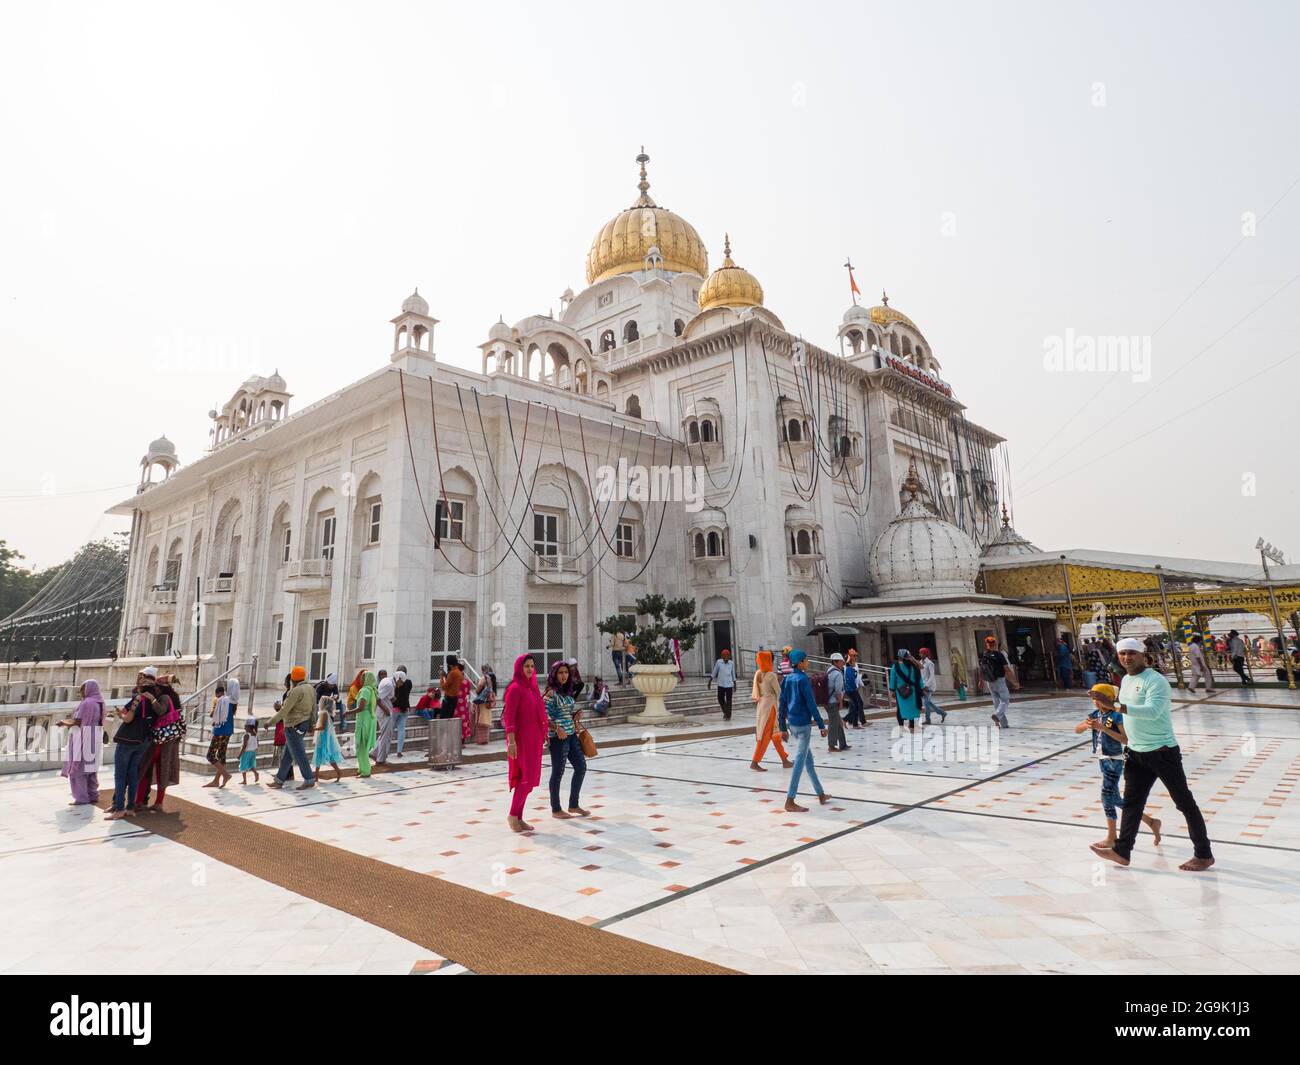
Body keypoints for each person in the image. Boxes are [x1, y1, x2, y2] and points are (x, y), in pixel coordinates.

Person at [1089, 638, 1215, 872]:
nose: (1127, 658)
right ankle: (1122, 851)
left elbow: (1153, 711)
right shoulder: (1126, 680)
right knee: (1132, 805)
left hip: (1162, 752)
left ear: (1143, 655)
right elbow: (1123, 712)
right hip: (1136, 753)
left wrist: (1115, 706)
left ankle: (1204, 854)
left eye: (1132, 653)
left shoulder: (1156, 681)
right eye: (1122, 653)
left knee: (1184, 803)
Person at [1075, 683, 1162, 851]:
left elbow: (1126, 739)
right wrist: (1086, 725)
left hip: (1114, 760)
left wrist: (1103, 729)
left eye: (1099, 699)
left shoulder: (1116, 716)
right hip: (1103, 759)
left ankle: (1112, 836)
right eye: (1094, 699)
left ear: (1109, 699)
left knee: (1106, 797)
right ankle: (1151, 822)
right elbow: (1076, 730)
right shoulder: (1095, 715)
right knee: (1115, 799)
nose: (1096, 703)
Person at [778, 649, 829, 812]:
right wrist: (821, 724)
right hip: (804, 725)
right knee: (799, 762)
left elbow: (782, 704)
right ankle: (790, 799)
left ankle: (820, 794)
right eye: (806, 660)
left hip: (792, 725)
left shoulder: (787, 680)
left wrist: (782, 727)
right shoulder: (803, 679)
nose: (808, 663)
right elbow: (811, 704)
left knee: (809, 762)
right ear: (800, 663)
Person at [106, 673, 161, 819]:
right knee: (133, 774)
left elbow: (128, 718)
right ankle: (130, 807)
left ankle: (119, 808)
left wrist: (120, 715)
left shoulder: (138, 699)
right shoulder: (155, 702)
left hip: (129, 740)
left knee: (120, 775)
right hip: (144, 741)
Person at [503, 653, 547, 833]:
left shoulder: (532, 688)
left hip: (534, 740)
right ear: (519, 668)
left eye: (532, 666)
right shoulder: (515, 689)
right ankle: (513, 815)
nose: (529, 669)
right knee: (525, 778)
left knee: (530, 779)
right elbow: (510, 718)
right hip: (521, 741)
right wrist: (511, 742)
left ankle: (519, 817)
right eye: (526, 666)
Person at [545, 661, 589, 819]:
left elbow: (564, 714)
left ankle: (573, 805)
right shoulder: (551, 693)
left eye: (566, 673)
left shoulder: (567, 692)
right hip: (558, 738)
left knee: (581, 766)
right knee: (558, 772)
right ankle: (556, 809)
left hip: (571, 735)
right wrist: (557, 729)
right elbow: (544, 717)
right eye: (560, 673)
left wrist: (574, 717)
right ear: (554, 675)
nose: (563, 676)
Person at [135, 672, 183, 812]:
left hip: (159, 741)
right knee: (162, 770)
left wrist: (152, 700)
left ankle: (139, 801)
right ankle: (158, 802)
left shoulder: (164, 697)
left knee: (145, 768)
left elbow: (161, 711)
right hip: (169, 739)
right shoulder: (174, 698)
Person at [264, 666, 317, 790]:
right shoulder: (310, 688)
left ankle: (309, 779)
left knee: (299, 754)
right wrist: (312, 724)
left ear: (293, 679)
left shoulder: (296, 691)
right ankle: (279, 780)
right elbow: (315, 708)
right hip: (303, 724)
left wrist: (270, 722)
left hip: (294, 725)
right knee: (287, 756)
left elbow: (284, 710)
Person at [58, 678, 105, 806]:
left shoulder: (86, 703)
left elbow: (77, 721)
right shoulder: (100, 702)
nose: (81, 692)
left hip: (83, 737)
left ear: (89, 689)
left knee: (78, 768)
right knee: (90, 768)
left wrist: (63, 722)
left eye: (83, 689)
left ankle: (82, 798)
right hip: (95, 736)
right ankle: (93, 795)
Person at [750, 650, 791, 771]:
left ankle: (784, 759)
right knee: (765, 735)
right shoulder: (771, 675)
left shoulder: (758, 673)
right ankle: (755, 761)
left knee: (775, 734)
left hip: (762, 706)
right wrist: (785, 709)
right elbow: (779, 693)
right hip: (770, 708)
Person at [978, 636, 1017, 728]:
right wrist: (1014, 682)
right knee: (1005, 700)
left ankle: (1003, 723)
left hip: (989, 681)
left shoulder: (984, 655)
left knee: (996, 702)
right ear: (995, 644)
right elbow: (1006, 669)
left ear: (986, 644)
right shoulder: (999, 655)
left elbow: (981, 669)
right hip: (999, 680)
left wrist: (980, 681)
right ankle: (997, 715)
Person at [203, 682, 234, 789]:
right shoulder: (231, 701)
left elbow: (212, 714)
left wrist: (214, 706)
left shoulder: (219, 700)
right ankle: (216, 780)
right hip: (228, 730)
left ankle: (226, 774)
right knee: (221, 755)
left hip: (219, 731)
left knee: (210, 755)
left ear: (217, 693)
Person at [312, 694, 344, 783]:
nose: (319, 704)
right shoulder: (325, 713)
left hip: (323, 737)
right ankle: (316, 776)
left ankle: (338, 772)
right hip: (324, 736)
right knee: (323, 755)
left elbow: (322, 727)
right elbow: (321, 724)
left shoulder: (323, 713)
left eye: (320, 702)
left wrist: (312, 729)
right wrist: (314, 726)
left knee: (323, 755)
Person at [352, 671, 378, 778]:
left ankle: (366, 771)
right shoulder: (373, 690)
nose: (361, 679)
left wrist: (347, 712)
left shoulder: (364, 691)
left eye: (363, 677)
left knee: (361, 746)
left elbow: (361, 707)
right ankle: (362, 768)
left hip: (363, 720)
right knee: (363, 746)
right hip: (370, 719)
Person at [889, 650, 922, 733]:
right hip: (913, 691)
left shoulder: (895, 667)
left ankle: (901, 726)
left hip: (901, 692)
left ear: (899, 657)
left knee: (900, 709)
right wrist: (922, 687)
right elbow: (919, 678)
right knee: (912, 708)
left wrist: (892, 690)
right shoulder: (914, 666)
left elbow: (892, 679)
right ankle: (912, 726)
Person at [825, 652, 849, 752]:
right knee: (833, 724)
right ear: (835, 662)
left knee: (838, 723)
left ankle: (843, 744)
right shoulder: (838, 673)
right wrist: (841, 702)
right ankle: (831, 746)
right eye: (841, 662)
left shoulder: (829, 671)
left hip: (827, 701)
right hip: (833, 702)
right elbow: (838, 691)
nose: (843, 663)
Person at [917, 647, 947, 724]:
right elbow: (921, 675)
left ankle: (928, 719)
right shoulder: (920, 662)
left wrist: (927, 685)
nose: (920, 654)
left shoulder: (930, 663)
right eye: (920, 653)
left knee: (927, 703)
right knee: (927, 703)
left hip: (929, 686)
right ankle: (942, 713)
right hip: (923, 685)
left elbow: (932, 676)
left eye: (921, 653)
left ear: (925, 654)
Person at [372, 671, 395, 765]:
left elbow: (385, 698)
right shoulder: (389, 684)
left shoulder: (388, 683)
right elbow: (378, 698)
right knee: (385, 736)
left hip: (385, 712)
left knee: (385, 735)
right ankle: (380, 759)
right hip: (384, 713)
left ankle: (374, 753)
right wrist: (386, 709)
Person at [470, 664, 496, 744]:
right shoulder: (492, 678)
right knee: (486, 720)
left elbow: (478, 690)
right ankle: (485, 740)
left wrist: (477, 691)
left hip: (482, 702)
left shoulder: (483, 678)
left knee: (480, 720)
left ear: (483, 670)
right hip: (488, 702)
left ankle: (480, 740)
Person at [708, 648, 736, 720]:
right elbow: (714, 671)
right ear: (722, 656)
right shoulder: (718, 662)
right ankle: (725, 712)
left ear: (729, 656)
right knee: (720, 698)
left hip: (729, 684)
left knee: (729, 700)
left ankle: (728, 715)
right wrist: (710, 681)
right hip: (721, 684)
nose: (726, 657)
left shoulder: (731, 663)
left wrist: (735, 684)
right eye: (725, 656)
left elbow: (733, 674)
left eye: (728, 656)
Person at [842, 649, 867, 728]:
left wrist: (860, 684)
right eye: (854, 656)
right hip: (851, 689)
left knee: (855, 705)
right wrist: (855, 687)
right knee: (857, 705)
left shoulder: (853, 666)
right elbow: (850, 679)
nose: (855, 658)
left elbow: (856, 676)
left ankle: (851, 721)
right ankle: (850, 721)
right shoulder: (848, 667)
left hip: (852, 688)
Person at [392, 668, 413, 757]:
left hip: (395, 708)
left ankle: (384, 749)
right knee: (401, 729)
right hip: (405, 708)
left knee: (390, 729)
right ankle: (399, 751)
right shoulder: (409, 682)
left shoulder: (394, 682)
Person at [238, 718, 260, 784]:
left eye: (245, 725)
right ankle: (256, 773)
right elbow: (257, 744)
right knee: (251, 765)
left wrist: (239, 755)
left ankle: (244, 780)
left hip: (246, 752)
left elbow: (244, 746)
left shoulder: (246, 735)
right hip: (252, 752)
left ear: (248, 727)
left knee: (243, 766)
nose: (244, 727)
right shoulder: (255, 734)